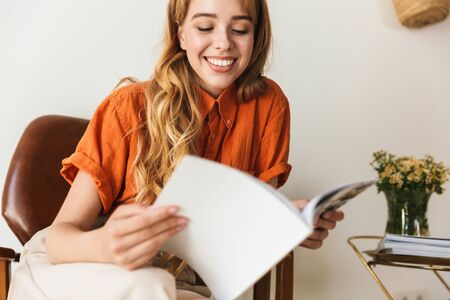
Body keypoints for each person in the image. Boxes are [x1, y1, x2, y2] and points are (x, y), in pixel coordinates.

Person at [8, 0, 344, 299]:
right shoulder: (128, 108)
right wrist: (105, 245)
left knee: (162, 287)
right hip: (78, 268)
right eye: (205, 26)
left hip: (180, 283)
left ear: (256, 35)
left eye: (240, 28)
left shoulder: (268, 106)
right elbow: (58, 240)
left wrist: (286, 226)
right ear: (181, 32)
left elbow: (243, 230)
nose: (224, 42)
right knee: (149, 286)